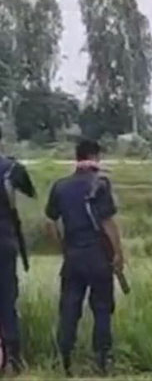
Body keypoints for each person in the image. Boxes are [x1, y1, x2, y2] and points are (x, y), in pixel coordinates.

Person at [45, 140, 124, 377]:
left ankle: (64, 361)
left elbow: (50, 222)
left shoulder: (60, 186)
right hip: (99, 256)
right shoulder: (101, 184)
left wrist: (63, 246)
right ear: (95, 157)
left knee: (69, 308)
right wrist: (118, 253)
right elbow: (107, 222)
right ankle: (102, 362)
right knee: (101, 309)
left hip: (73, 257)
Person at [0, 128, 36, 376]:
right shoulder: (11, 169)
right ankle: (12, 358)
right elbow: (31, 192)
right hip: (4, 241)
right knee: (7, 301)